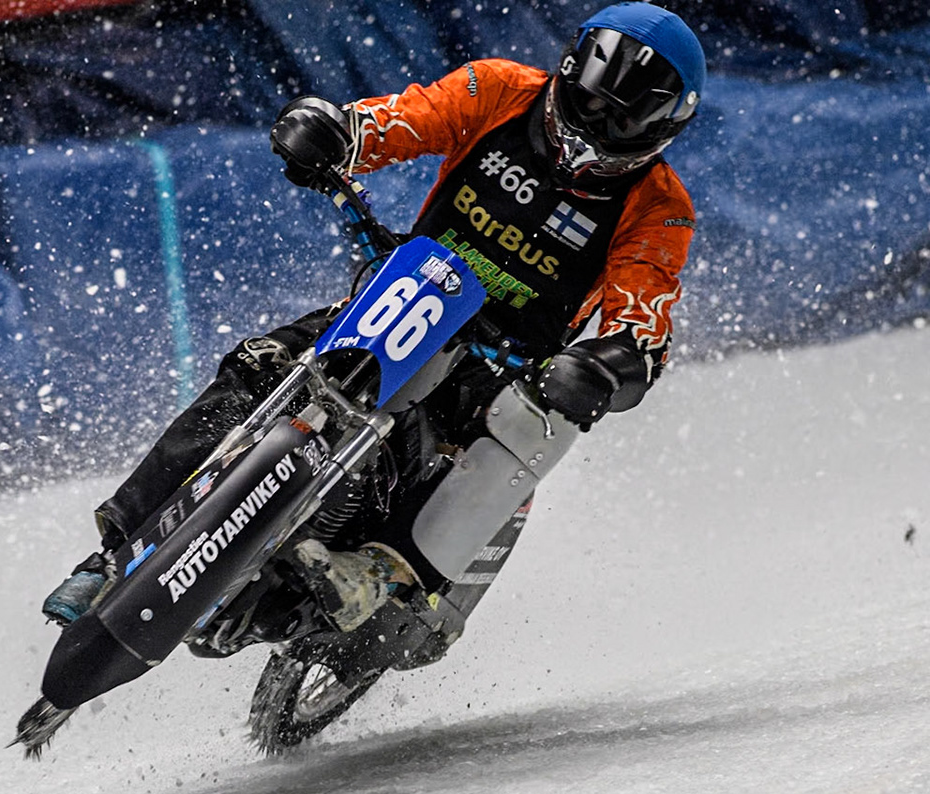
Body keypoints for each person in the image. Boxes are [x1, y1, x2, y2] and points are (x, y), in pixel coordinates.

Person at [44, 2, 702, 634]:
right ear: (566, 76)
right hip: (407, 300)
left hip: (506, 368)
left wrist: (608, 366)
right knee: (258, 363)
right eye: (588, 104)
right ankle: (109, 555)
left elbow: (642, 319)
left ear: (661, 130)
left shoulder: (659, 207)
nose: (593, 129)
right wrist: (334, 134)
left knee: (531, 427)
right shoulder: (500, 88)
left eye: (620, 123)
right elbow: (402, 120)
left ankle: (381, 574)